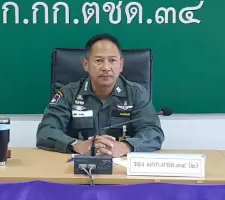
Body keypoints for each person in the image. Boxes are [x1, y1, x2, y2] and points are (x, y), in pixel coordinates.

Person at [36, 34, 164, 157]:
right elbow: (45, 131)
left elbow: (153, 132)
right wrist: (76, 145)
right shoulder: (68, 94)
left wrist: (126, 146)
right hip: (78, 165)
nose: (106, 67)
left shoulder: (136, 93)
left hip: (123, 165)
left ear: (121, 65)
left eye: (112, 60)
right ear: (86, 64)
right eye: (98, 61)